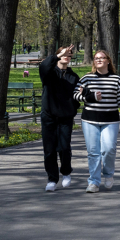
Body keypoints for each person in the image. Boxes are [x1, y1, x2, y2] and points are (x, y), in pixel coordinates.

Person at [73, 50, 120, 193]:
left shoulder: (116, 79)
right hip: (89, 120)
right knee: (93, 152)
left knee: (109, 149)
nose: (99, 60)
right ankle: (93, 182)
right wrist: (90, 97)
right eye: (96, 58)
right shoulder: (87, 78)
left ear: (108, 61)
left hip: (110, 120)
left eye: (102, 58)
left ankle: (108, 175)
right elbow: (75, 95)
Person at [39, 44, 81, 192]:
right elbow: (44, 66)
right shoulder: (49, 74)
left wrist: (72, 109)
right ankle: (52, 179)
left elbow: (77, 96)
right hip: (49, 116)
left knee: (63, 147)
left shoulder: (73, 77)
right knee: (49, 149)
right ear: (58, 56)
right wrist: (57, 55)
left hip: (65, 117)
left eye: (69, 55)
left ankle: (66, 172)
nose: (66, 56)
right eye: (63, 54)